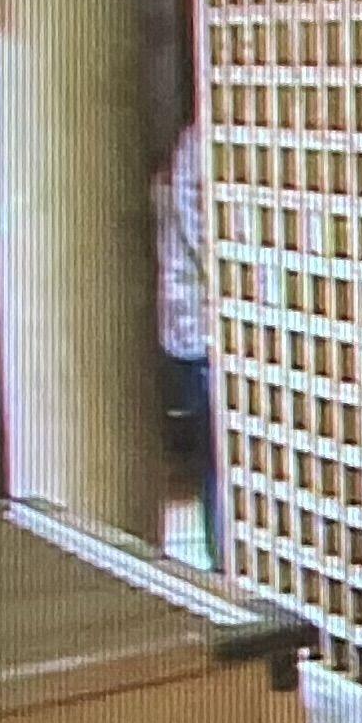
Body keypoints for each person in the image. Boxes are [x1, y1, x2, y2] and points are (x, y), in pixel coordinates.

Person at [153, 118, 222, 568]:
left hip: (196, 323)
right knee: (222, 454)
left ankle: (225, 559)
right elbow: (207, 238)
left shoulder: (195, 142)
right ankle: (226, 561)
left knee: (216, 452)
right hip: (205, 325)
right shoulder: (205, 142)